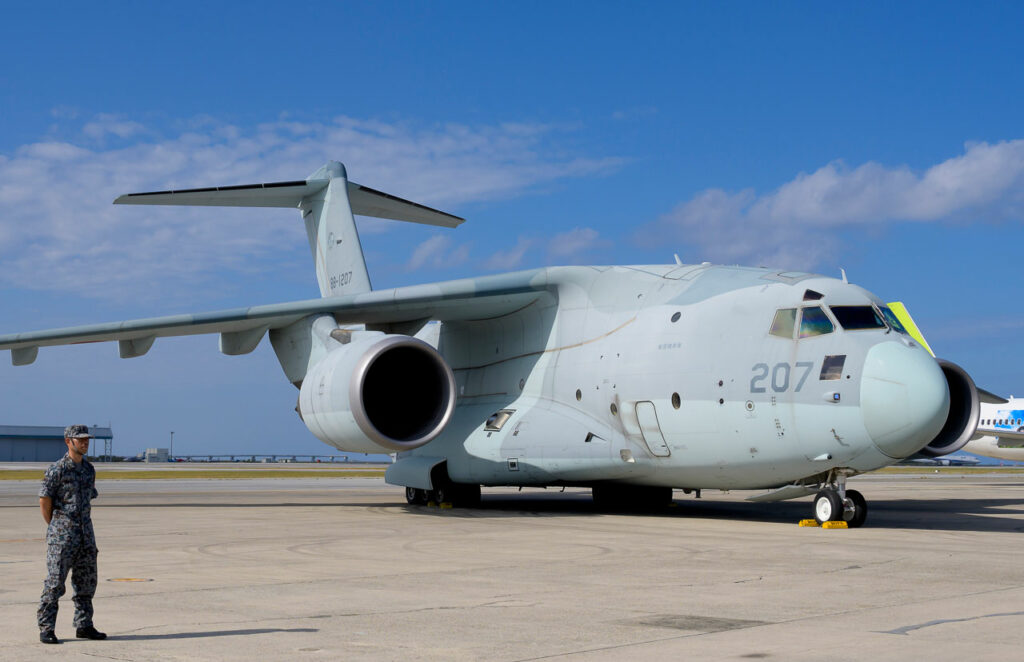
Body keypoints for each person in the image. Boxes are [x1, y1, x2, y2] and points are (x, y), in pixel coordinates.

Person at [37, 424, 107, 644]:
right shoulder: (57, 469)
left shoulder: (89, 470)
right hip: (63, 537)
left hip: (86, 535)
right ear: (69, 441)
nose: (85, 443)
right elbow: (44, 500)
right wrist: (57, 526)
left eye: (87, 439)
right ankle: (47, 628)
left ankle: (84, 625)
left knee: (86, 583)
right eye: (80, 439)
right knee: (55, 583)